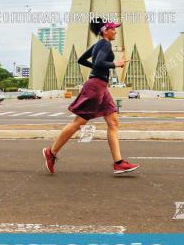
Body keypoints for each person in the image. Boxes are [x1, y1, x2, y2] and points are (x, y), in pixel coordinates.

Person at [43, 19, 140, 175]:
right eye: (113, 29)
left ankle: (119, 163)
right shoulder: (105, 44)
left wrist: (96, 66)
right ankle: (51, 152)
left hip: (101, 87)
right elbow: (100, 61)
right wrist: (116, 64)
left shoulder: (97, 45)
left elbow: (81, 60)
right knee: (78, 123)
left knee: (113, 122)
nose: (115, 31)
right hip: (95, 87)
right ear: (104, 30)